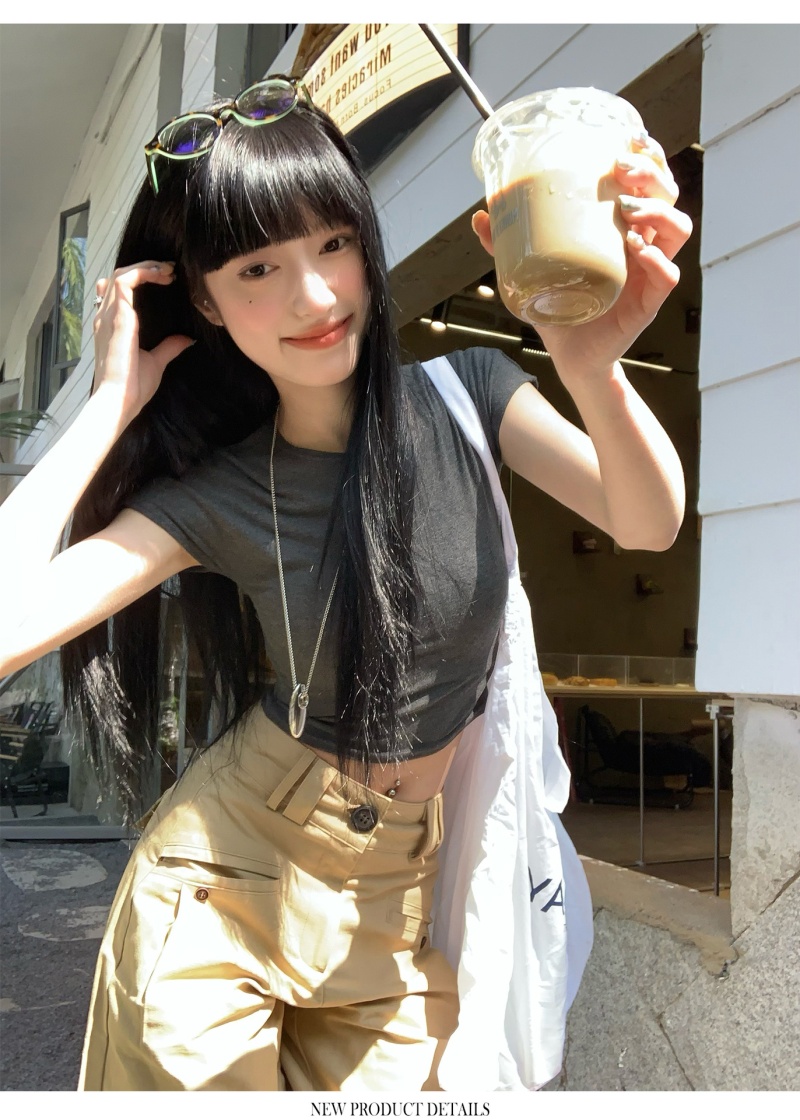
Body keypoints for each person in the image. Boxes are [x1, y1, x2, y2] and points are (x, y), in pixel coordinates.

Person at [0, 76, 689, 1091]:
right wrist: (109, 404)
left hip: (392, 901)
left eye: (332, 244)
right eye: (258, 268)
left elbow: (645, 523)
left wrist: (592, 367)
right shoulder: (221, 494)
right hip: (224, 889)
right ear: (204, 301)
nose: (317, 296)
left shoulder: (465, 396)